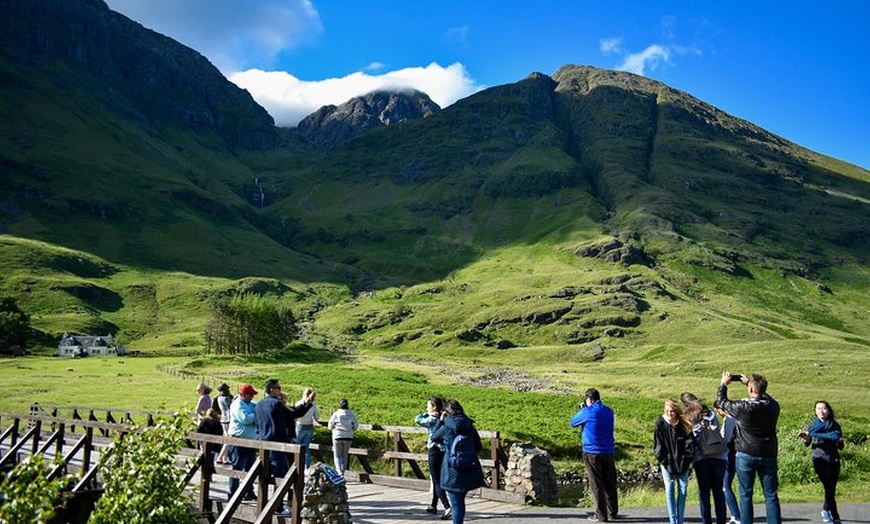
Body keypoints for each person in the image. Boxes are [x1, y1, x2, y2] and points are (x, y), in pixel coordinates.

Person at [716, 372, 781, 524]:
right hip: (768, 453)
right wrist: (751, 385)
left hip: (746, 453)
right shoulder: (773, 407)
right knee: (771, 495)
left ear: (751, 389)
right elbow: (770, 399)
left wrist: (723, 384)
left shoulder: (742, 408)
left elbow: (722, 402)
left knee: (745, 495)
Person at [255, 378, 313, 517]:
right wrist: (308, 403)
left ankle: (263, 504)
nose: (280, 390)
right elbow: (294, 415)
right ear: (271, 390)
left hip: (263, 443)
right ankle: (278, 507)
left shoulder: (258, 405)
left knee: (263, 476)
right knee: (281, 476)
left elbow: (257, 425)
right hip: (278, 444)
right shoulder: (276, 404)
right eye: (278, 388)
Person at [431, 399, 485, 523]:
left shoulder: (446, 427)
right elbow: (478, 446)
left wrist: (440, 421)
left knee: (455, 504)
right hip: (469, 467)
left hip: (452, 469)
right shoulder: (469, 426)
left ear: (447, 412)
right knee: (460, 502)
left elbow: (434, 437)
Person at [570, 388, 619, 522]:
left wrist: (582, 409)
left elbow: (573, 422)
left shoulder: (587, 411)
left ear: (589, 400)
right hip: (608, 451)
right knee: (610, 482)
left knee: (596, 483)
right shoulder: (609, 411)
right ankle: (612, 511)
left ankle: (601, 515)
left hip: (592, 451)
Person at [798, 400, 843, 524]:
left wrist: (839, 441)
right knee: (828, 487)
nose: (820, 411)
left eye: (823, 409)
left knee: (832, 488)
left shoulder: (834, 425)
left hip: (833, 459)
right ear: (815, 411)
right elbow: (807, 443)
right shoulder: (812, 426)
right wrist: (807, 438)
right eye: (818, 409)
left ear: (828, 410)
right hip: (819, 459)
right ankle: (836, 517)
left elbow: (838, 441)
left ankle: (825, 509)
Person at [684, 397, 727, 524]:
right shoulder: (711, 414)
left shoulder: (692, 417)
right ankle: (721, 521)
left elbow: (694, 439)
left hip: (701, 458)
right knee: (718, 492)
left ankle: (706, 521)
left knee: (704, 493)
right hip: (719, 456)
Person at [653, 399, 693, 524]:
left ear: (676, 412)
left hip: (683, 464)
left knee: (683, 491)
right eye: (667, 411)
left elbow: (690, 445)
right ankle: (673, 520)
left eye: (672, 411)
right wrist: (665, 462)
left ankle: (680, 520)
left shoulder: (683, 425)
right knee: (670, 491)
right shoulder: (660, 425)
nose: (670, 414)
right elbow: (658, 447)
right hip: (667, 464)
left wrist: (686, 461)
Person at [415, 396, 450, 515]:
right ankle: (433, 505)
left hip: (434, 450)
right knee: (439, 477)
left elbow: (417, 419)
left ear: (434, 407)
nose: (426, 407)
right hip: (444, 450)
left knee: (436, 480)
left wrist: (428, 413)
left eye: (428, 405)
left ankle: (447, 506)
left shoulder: (431, 419)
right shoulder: (445, 418)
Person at [227, 383, 258, 501]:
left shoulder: (251, 405)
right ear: (243, 394)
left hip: (250, 441)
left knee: (250, 469)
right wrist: (255, 415)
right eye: (251, 395)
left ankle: (248, 492)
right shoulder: (237, 405)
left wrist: (253, 415)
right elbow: (245, 419)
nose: (252, 397)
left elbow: (252, 417)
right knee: (237, 468)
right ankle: (233, 493)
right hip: (238, 441)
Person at [715, 406, 741, 524]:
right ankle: (735, 514)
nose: (718, 414)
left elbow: (727, 439)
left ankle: (736, 515)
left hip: (730, 455)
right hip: (735, 454)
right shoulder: (737, 417)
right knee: (727, 485)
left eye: (718, 411)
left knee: (725, 486)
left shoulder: (729, 419)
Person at [327, 398, 359, 476]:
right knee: (345, 455)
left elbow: (330, 426)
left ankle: (339, 472)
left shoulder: (336, 414)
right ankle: (343, 472)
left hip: (337, 435)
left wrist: (334, 429)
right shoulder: (352, 414)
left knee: (337, 455)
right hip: (348, 436)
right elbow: (356, 426)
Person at [294, 387, 320, 469]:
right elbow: (317, 417)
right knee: (306, 449)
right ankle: (307, 467)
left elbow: (295, 416)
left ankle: (296, 466)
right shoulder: (313, 405)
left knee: (296, 447)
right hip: (309, 427)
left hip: (300, 426)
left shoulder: (299, 403)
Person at [215, 382, 233, 464]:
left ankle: (225, 458)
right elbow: (231, 407)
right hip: (228, 420)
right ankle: (220, 457)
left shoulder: (218, 398)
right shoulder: (226, 399)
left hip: (223, 419)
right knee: (228, 440)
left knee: (226, 439)